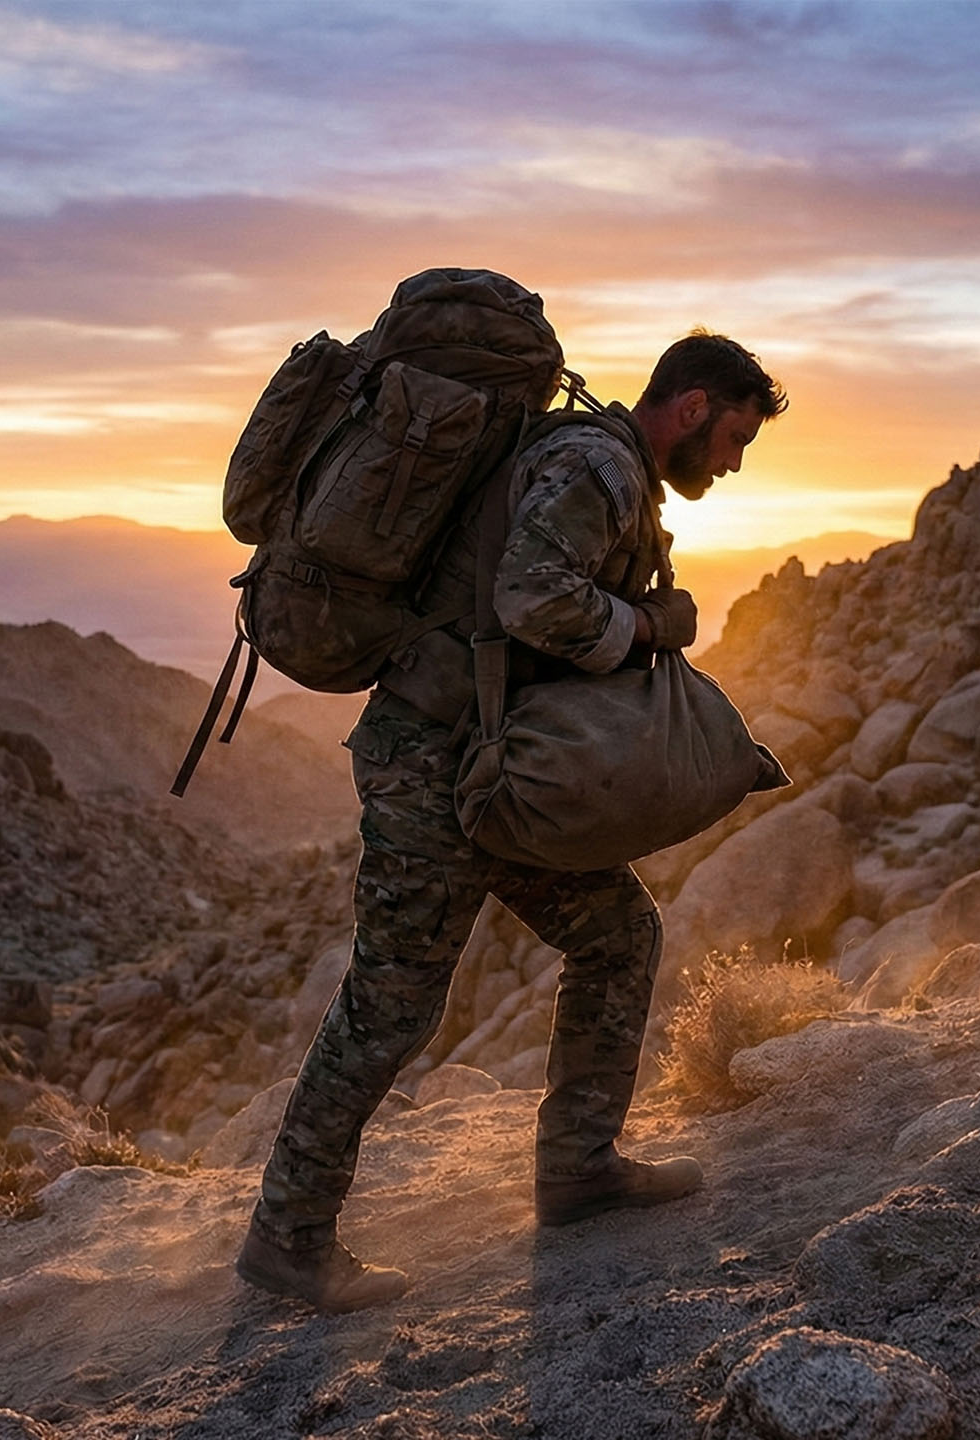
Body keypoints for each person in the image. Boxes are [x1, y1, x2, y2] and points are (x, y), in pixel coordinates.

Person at [236, 331, 790, 1312]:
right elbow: (537, 602)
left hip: (501, 769)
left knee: (619, 935)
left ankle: (577, 1169)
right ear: (693, 407)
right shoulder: (596, 467)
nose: (735, 463)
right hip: (439, 769)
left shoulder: (595, 461)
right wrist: (652, 629)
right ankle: (287, 1237)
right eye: (736, 437)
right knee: (390, 1007)